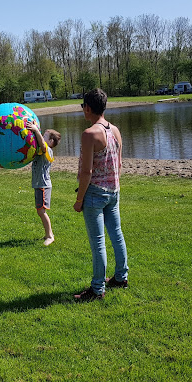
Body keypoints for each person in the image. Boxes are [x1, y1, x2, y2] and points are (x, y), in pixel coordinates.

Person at [73, 88, 128, 301]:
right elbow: (119, 164)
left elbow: (86, 172)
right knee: (117, 234)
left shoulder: (89, 134)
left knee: (98, 242)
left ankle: (97, 289)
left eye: (83, 106)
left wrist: (79, 200)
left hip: (95, 194)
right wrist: (114, 185)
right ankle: (121, 277)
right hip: (114, 191)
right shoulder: (115, 130)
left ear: (87, 108)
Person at [26, 121, 61, 246]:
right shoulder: (40, 150)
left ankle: (50, 236)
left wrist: (36, 130)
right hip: (38, 184)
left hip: (43, 185)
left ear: (50, 141)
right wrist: (34, 128)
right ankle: (47, 234)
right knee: (40, 211)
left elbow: (43, 145)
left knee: (41, 211)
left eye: (44, 135)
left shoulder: (48, 151)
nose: (41, 135)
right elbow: (39, 142)